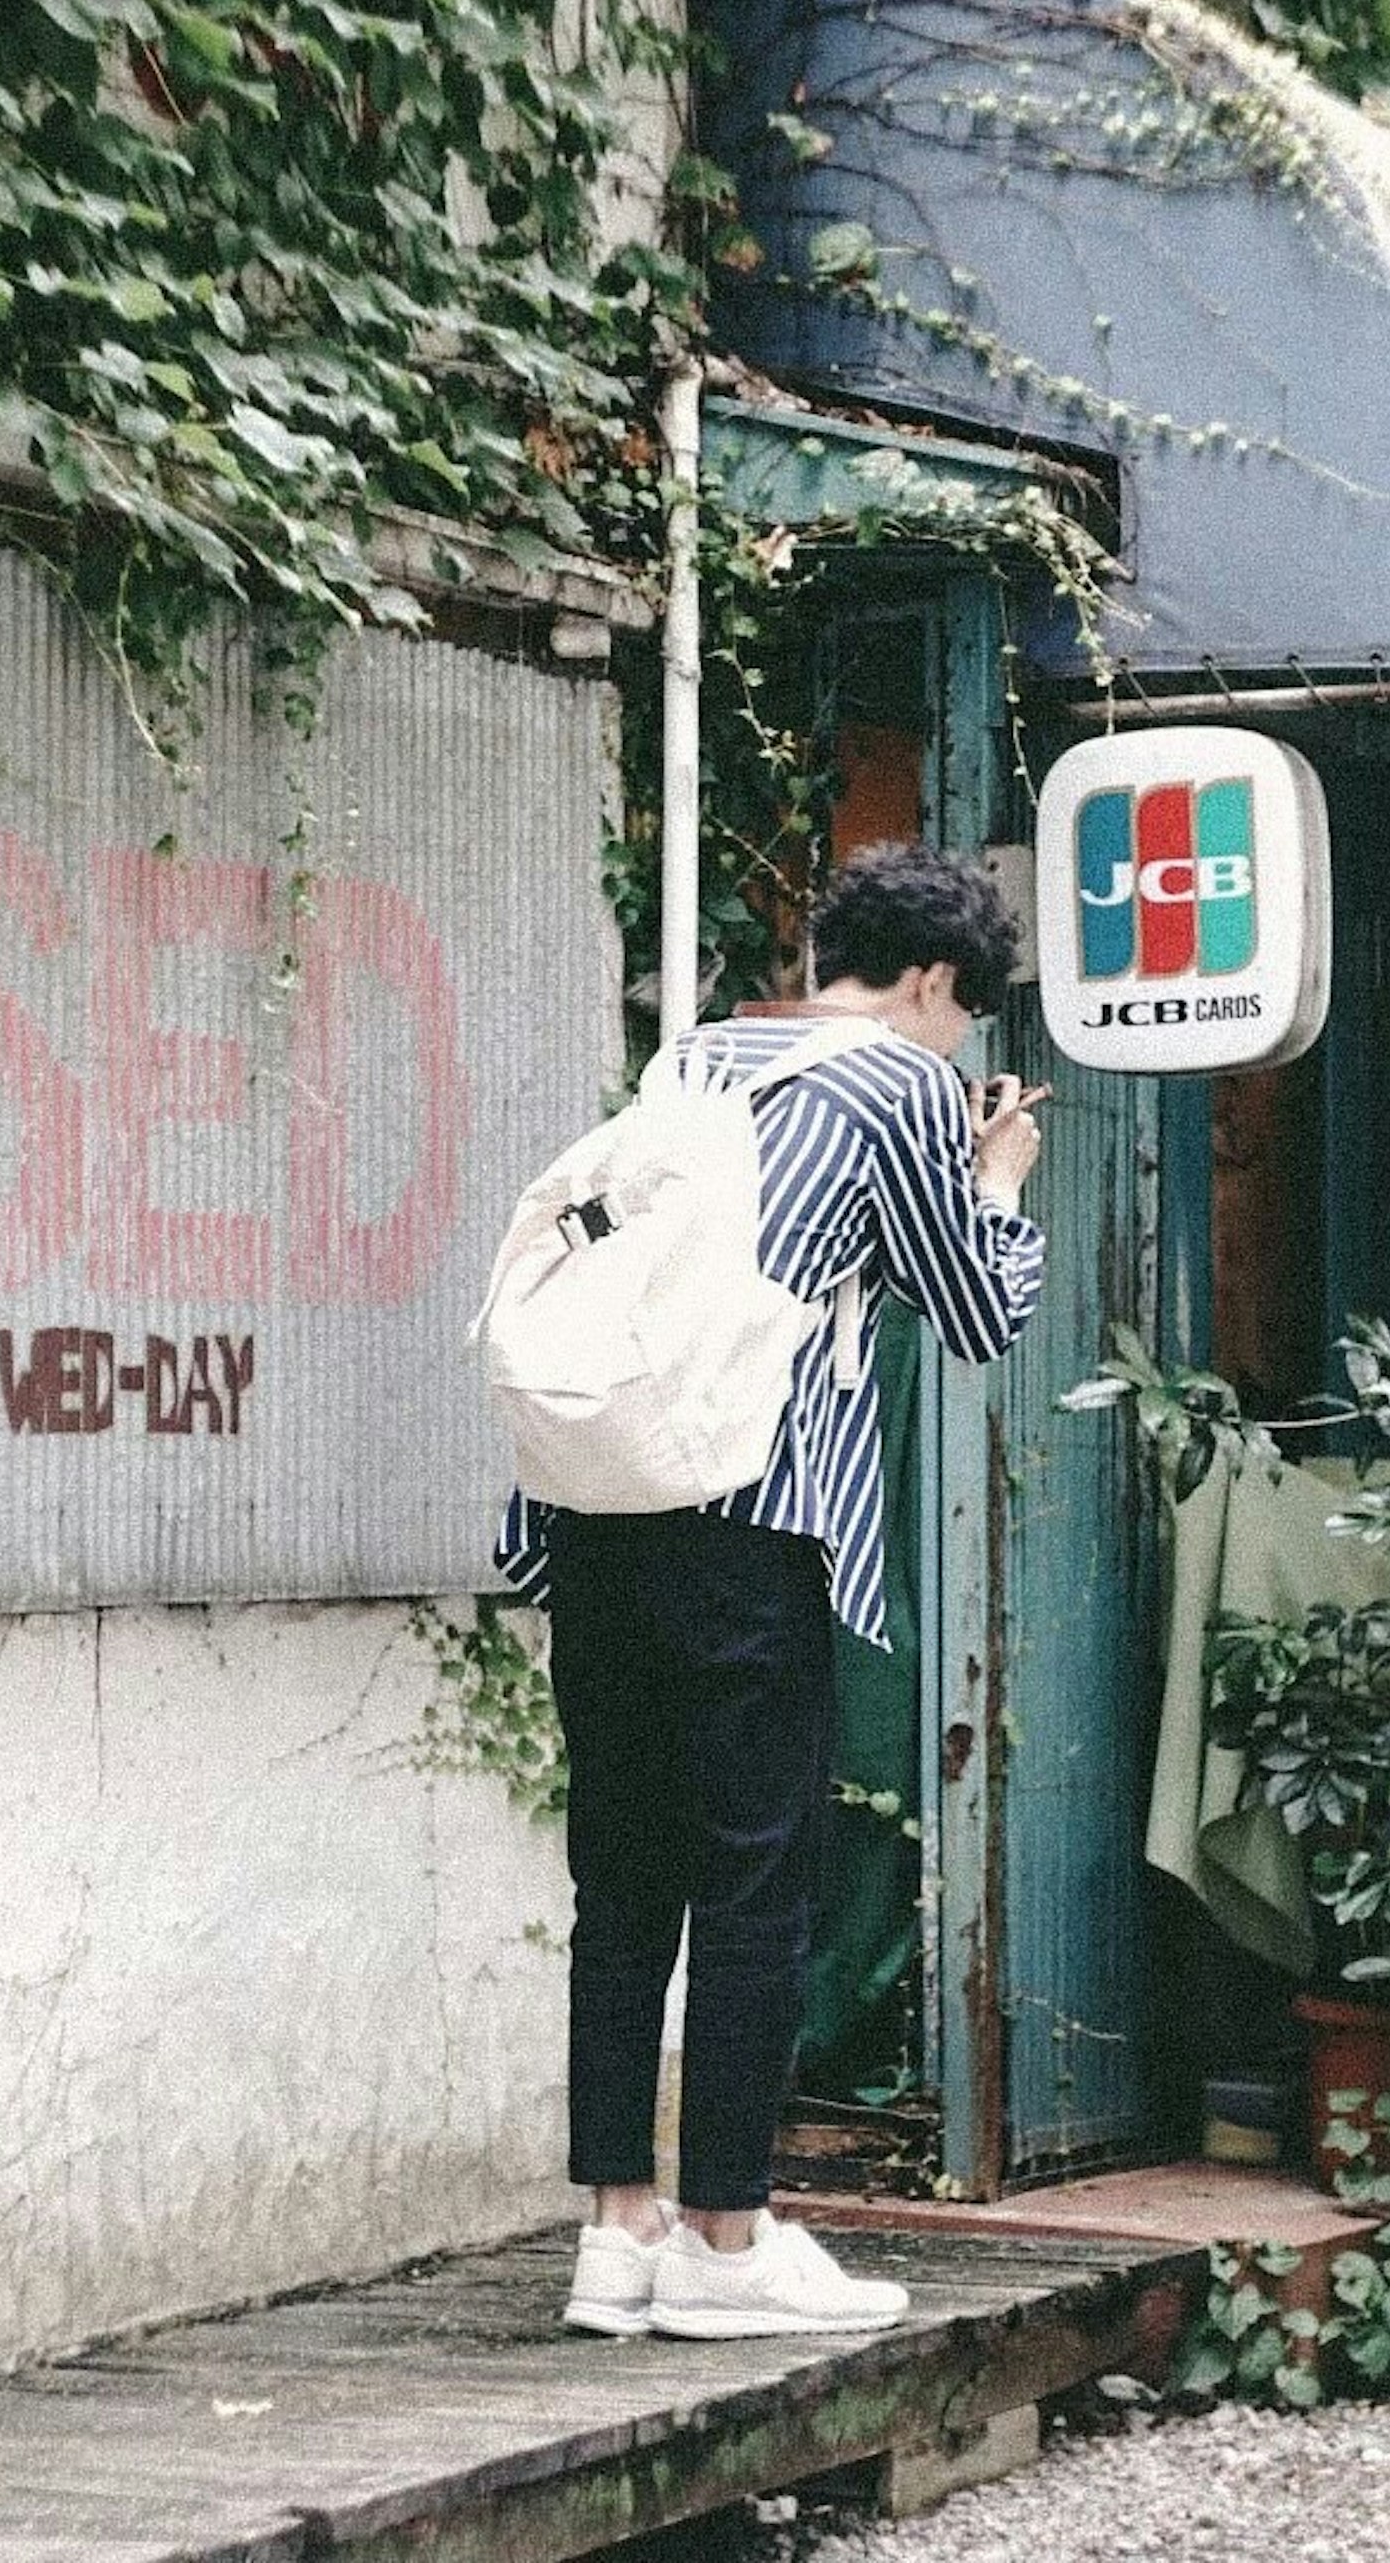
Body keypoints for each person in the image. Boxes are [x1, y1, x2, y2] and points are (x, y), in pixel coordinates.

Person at [498, 843, 1047, 2339]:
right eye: (962, 1017)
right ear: (934, 982)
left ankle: (617, 2230)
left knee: (622, 1871)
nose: (958, 1051)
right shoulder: (900, 1086)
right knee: (755, 1878)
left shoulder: (699, 1058)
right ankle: (728, 2240)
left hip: (601, 1511)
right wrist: (998, 1182)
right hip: (746, 1522)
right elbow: (979, 1310)